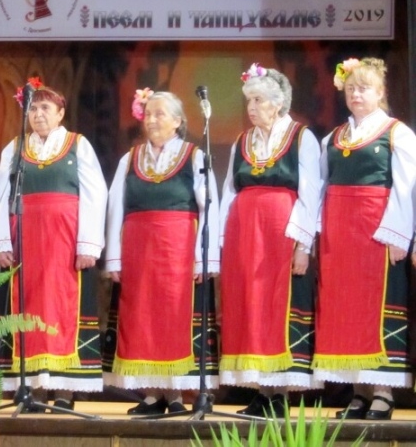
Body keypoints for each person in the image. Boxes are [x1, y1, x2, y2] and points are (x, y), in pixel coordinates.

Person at [0, 78, 107, 410]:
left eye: (45, 108)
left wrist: (88, 244)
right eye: (33, 108)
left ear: (60, 113)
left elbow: (95, 193)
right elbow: (0, 195)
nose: (38, 114)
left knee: (60, 304)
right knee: (27, 305)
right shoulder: (15, 147)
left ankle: (64, 388)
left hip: (63, 239)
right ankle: (32, 387)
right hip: (25, 235)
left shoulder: (77, 144)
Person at [102, 89, 219, 415]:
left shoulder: (194, 156)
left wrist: (203, 257)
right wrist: (114, 256)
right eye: (149, 114)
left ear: (178, 122)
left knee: (173, 319)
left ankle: (178, 394)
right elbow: (116, 209)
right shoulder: (130, 158)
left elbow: (209, 207)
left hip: (177, 249)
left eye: (160, 114)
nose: (152, 120)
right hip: (139, 250)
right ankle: (153, 394)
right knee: (142, 318)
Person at [313, 57, 416, 421]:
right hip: (339, 234)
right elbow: (320, 188)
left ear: (381, 92)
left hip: (377, 231)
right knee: (345, 308)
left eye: (365, 88)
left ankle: (383, 392)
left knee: (376, 306)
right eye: (352, 88)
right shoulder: (332, 138)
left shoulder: (396, 133)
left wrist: (399, 234)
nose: (357, 94)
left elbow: (406, 187)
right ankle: (357, 391)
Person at [218, 65, 322, 417]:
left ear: (276, 104)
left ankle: (279, 393)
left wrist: (303, 245)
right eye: (249, 101)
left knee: (276, 306)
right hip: (244, 235)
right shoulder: (242, 141)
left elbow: (311, 193)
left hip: (281, 234)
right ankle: (263, 390)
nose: (251, 107)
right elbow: (229, 192)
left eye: (258, 100)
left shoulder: (300, 136)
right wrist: (222, 241)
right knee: (251, 305)